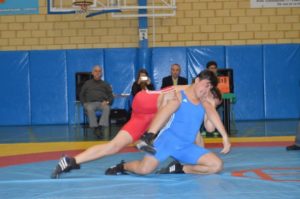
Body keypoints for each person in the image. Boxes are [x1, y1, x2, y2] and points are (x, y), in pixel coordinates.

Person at [105, 70, 231, 176]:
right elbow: (162, 113)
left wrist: (224, 135)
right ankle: (123, 166)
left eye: (210, 88)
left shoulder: (205, 103)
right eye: (206, 85)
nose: (206, 90)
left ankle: (181, 168)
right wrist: (150, 134)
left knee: (217, 166)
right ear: (197, 80)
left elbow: (210, 128)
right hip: (166, 143)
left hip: (186, 147)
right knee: (144, 170)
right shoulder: (179, 95)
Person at [51, 84, 187, 179]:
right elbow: (169, 95)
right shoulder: (188, 90)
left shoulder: (200, 102)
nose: (206, 92)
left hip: (145, 119)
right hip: (147, 103)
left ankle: (70, 161)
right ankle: (147, 138)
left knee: (113, 146)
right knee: (171, 101)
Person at [79, 65, 114, 136]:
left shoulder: (105, 84)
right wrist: (84, 103)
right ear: (92, 72)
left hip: (102, 103)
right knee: (89, 108)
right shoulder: (87, 83)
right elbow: (81, 95)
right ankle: (95, 127)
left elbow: (111, 96)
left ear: (101, 73)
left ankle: (100, 127)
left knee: (107, 108)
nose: (97, 73)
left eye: (99, 71)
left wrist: (107, 101)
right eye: (96, 71)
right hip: (90, 103)